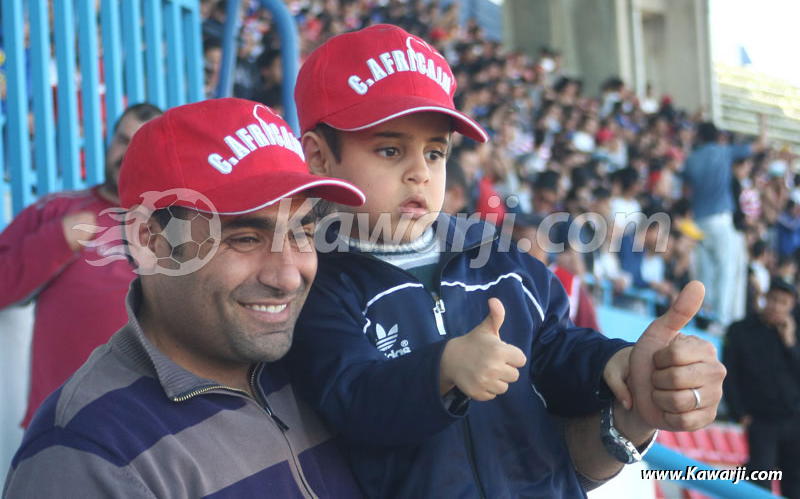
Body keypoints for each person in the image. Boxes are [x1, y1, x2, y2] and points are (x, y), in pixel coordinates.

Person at [288, 24, 726, 498]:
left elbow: (554, 350)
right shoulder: (315, 283)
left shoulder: (498, 261)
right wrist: (443, 370)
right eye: (389, 149)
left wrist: (616, 362)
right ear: (318, 157)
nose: (419, 172)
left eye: (435, 153)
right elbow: (351, 397)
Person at [3, 98, 366, 497]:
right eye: (245, 238)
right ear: (150, 240)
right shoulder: (87, 455)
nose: (288, 276)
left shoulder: (326, 371)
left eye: (301, 233)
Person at [0, 103, 162, 427]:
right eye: (121, 139)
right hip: (60, 420)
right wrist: (57, 240)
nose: (126, 152)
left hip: (147, 421)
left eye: (141, 144)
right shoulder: (57, 208)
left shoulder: (179, 227)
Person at [723, 277, 800, 498]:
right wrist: (740, 413)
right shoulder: (740, 330)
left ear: (791, 306)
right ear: (765, 298)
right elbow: (729, 375)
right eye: (774, 299)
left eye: (783, 302)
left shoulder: (794, 334)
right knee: (760, 479)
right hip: (761, 420)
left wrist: (790, 343)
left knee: (795, 482)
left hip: (794, 420)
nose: (777, 306)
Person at [683, 121, 761, 325]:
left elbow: (686, 189)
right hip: (719, 219)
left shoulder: (691, 159)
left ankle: (702, 313)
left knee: (704, 269)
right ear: (717, 137)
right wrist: (762, 122)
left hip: (698, 220)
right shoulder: (723, 152)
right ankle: (721, 319)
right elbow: (759, 145)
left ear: (699, 136)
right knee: (724, 270)